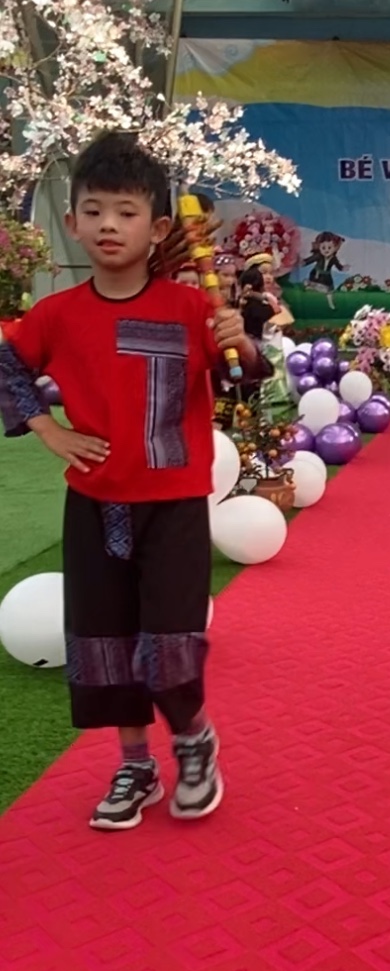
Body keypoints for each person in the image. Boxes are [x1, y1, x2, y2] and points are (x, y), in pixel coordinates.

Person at [0, 132, 269, 830]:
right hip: (94, 503)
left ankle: (195, 743)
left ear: (158, 227)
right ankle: (134, 765)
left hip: (172, 504)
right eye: (94, 211)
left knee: (170, 644)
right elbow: (7, 366)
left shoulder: (191, 307)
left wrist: (240, 340)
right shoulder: (56, 314)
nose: (109, 225)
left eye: (126, 212)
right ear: (72, 222)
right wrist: (49, 430)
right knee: (104, 643)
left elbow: (245, 379)